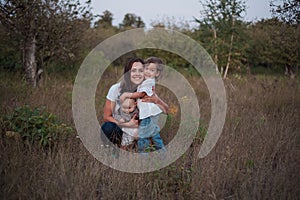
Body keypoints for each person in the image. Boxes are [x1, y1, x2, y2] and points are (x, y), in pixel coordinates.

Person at [101, 57, 168, 150]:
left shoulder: (145, 89)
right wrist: (127, 125)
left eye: (141, 70)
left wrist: (157, 100)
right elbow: (106, 117)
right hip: (120, 126)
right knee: (108, 127)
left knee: (146, 132)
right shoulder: (116, 89)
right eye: (133, 71)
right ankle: (112, 150)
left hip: (139, 128)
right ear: (128, 73)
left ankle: (141, 150)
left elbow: (166, 110)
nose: (137, 74)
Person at [120, 57, 167, 153]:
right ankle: (163, 153)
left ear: (157, 73)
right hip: (151, 114)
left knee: (143, 137)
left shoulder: (149, 82)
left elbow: (142, 94)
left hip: (148, 115)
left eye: (152, 70)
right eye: (146, 69)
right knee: (155, 136)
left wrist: (128, 95)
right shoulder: (146, 82)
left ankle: (143, 157)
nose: (148, 72)